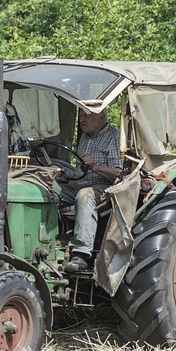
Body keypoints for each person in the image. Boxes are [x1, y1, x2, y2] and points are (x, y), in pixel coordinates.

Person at [60, 108, 121, 273]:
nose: (82, 119)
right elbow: (80, 170)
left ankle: (81, 254)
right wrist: (67, 176)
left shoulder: (113, 138)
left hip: (106, 188)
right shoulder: (84, 138)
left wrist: (95, 167)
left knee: (85, 195)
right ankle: (53, 241)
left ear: (101, 118)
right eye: (80, 116)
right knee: (51, 191)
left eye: (87, 115)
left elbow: (119, 174)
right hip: (81, 183)